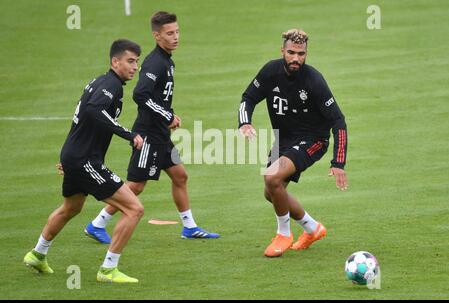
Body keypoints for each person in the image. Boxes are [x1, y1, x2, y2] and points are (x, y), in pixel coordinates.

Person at [84, 11, 219, 244]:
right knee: (135, 186)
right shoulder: (155, 62)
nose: (175, 37)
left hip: (161, 135)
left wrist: (167, 115)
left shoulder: (167, 60)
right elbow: (140, 94)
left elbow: (155, 96)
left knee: (180, 176)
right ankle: (97, 224)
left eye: (177, 32)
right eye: (169, 33)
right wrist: (167, 115)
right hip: (147, 135)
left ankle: (189, 227)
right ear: (157, 36)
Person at [23, 39, 145, 283]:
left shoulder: (100, 81)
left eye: (137, 63)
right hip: (85, 160)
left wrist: (68, 158)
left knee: (72, 208)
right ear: (115, 61)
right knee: (134, 209)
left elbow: (83, 119)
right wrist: (129, 135)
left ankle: (37, 254)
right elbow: (93, 111)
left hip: (75, 156)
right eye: (130, 61)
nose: (135, 67)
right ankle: (108, 269)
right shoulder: (111, 85)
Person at [238, 29, 348, 258]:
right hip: (284, 139)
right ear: (282, 51)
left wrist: (339, 161)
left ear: (306, 54)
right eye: (291, 53)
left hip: (312, 139)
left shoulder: (314, 80)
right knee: (271, 192)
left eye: (301, 54)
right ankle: (312, 228)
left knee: (272, 177)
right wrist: (244, 122)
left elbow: (338, 120)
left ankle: (283, 234)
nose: (296, 58)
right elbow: (248, 97)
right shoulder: (270, 71)